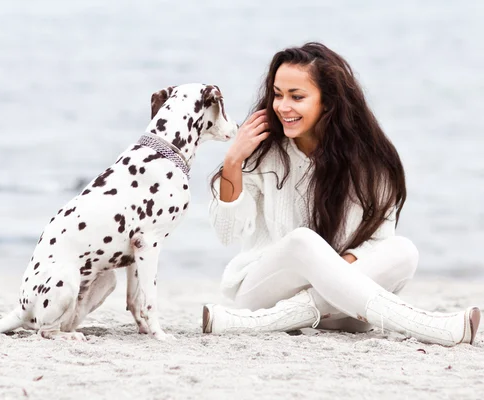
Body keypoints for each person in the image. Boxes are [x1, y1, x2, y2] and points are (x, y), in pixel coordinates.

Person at [202, 42, 480, 346]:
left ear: (328, 102)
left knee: (404, 250)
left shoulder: (371, 162)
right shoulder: (262, 152)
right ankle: (425, 325)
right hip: (263, 293)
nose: (282, 106)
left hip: (346, 309)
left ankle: (267, 321)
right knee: (302, 241)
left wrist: (331, 276)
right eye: (278, 94)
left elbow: (378, 241)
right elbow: (227, 233)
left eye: (297, 97)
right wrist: (233, 161)